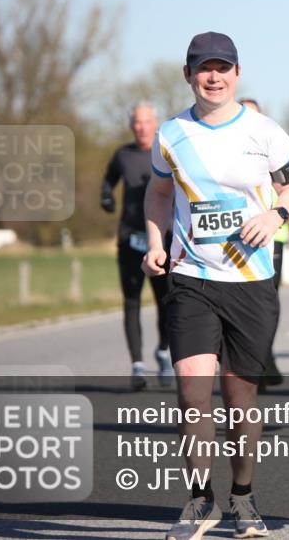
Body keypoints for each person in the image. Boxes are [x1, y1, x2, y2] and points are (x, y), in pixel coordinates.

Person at [143, 31, 289, 540]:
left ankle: (243, 496)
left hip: (251, 282)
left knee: (240, 403)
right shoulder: (170, 134)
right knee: (191, 392)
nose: (214, 77)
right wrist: (155, 243)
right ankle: (198, 500)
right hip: (192, 278)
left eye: (223, 68)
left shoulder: (266, 131)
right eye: (203, 68)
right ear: (188, 75)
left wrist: (277, 213)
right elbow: (159, 191)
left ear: (237, 74)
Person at [101, 102, 174, 390]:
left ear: (155, 123)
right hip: (129, 238)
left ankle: (164, 351)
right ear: (132, 126)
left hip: (162, 240)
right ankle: (137, 365)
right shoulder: (123, 155)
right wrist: (106, 198)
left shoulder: (165, 151)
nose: (141, 127)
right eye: (136, 122)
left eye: (145, 122)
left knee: (165, 302)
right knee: (131, 302)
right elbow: (107, 182)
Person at [240, 98, 285, 389]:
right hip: (233, 238)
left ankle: (262, 354)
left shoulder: (269, 143)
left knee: (266, 301)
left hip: (273, 236)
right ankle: (251, 358)